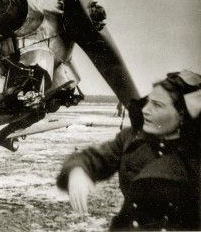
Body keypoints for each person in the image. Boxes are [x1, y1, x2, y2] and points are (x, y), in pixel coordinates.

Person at [56, 70, 201, 230]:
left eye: (157, 105)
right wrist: (78, 171)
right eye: (148, 101)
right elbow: (95, 158)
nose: (145, 110)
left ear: (182, 114)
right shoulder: (132, 139)